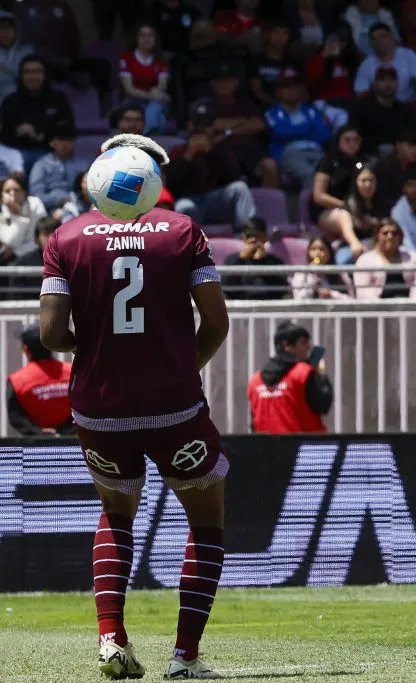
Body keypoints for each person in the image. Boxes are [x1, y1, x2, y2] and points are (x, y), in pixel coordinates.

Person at [38, 133, 230, 679]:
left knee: (116, 514)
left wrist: (97, 347)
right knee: (206, 521)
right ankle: (186, 658)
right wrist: (179, 366)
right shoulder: (181, 231)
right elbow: (215, 322)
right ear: (152, 182)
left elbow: (51, 334)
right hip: (174, 404)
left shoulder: (66, 238)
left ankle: (110, 639)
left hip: (100, 406)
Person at [248, 322, 333, 434]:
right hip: (303, 448)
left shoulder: (255, 380)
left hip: (266, 449)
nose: (308, 347)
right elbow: (323, 405)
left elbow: (254, 424)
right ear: (286, 345)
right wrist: (321, 375)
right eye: (303, 342)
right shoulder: (303, 374)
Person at [7, 322, 72, 436]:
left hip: (35, 448)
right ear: (50, 346)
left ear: (25, 349)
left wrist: (40, 433)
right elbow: (84, 406)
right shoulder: (72, 372)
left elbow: (16, 417)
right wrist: (64, 432)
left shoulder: (17, 381)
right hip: (71, 445)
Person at [353, 218, 416, 299]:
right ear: (377, 236)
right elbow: (363, 291)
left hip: (409, 307)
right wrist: (382, 307)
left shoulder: (413, 258)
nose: (390, 237)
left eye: (394, 233)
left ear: (400, 237)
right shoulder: (364, 261)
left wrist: (413, 304)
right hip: (377, 309)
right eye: (385, 233)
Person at [118, 23, 171, 134]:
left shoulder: (160, 59)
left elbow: (162, 85)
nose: (147, 39)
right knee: (157, 113)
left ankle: (145, 135)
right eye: (143, 35)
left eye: (150, 35)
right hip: (133, 100)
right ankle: (149, 136)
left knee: (155, 107)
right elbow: (129, 89)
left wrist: (156, 93)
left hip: (155, 100)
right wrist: (151, 95)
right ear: (137, 38)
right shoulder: (127, 58)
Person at [221, 217, 288, 300]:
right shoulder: (232, 260)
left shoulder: (275, 261)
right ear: (243, 237)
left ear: (265, 237)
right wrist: (240, 260)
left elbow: (283, 289)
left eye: (258, 235)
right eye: (249, 236)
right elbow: (225, 288)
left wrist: (263, 262)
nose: (254, 240)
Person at [27, 120, 86, 215]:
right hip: (49, 212)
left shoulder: (82, 165)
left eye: (69, 139)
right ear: (52, 142)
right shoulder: (41, 165)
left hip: (79, 210)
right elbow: (36, 196)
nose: (65, 144)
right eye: (61, 139)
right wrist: (59, 199)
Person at [0, 172, 47, 264]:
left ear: (24, 191)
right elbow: (9, 242)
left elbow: (39, 238)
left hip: (33, 254)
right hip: (7, 257)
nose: (12, 194)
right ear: (1, 194)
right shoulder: (1, 210)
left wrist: (16, 251)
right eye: (7, 191)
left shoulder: (35, 204)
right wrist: (16, 215)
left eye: (16, 190)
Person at [8, 215, 57, 299]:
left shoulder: (70, 261)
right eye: (46, 234)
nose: (50, 238)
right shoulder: (22, 263)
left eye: (53, 234)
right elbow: (16, 297)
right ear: (37, 238)